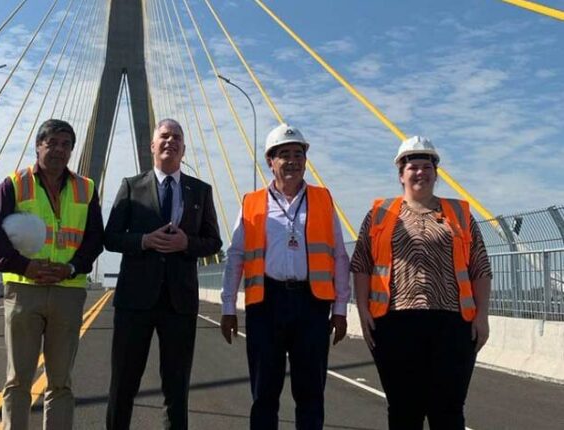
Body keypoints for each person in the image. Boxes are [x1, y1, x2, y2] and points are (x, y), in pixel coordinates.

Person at [350, 136, 492, 429]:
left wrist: (482, 316)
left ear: (436, 174)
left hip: (453, 323)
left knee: (448, 409)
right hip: (395, 322)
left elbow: (480, 267)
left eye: (427, 166)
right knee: (404, 409)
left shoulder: (460, 214)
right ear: (401, 174)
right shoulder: (380, 214)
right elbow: (361, 264)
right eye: (413, 166)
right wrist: (362, 310)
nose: (420, 172)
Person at [0, 119, 104, 430]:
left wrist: (72, 267)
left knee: (60, 382)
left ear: (72, 151)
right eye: (52, 143)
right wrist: (24, 266)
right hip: (24, 290)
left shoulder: (86, 188)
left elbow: (95, 239)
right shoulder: (15, 184)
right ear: (38, 146)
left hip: (68, 291)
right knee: (18, 379)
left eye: (66, 145)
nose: (59, 150)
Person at [220, 123, 350, 430]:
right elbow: (235, 256)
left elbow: (339, 256)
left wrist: (341, 308)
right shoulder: (252, 202)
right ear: (270, 161)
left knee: (310, 394)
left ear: (305, 160)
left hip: (312, 304)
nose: (292, 160)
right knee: (264, 394)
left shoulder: (322, 199)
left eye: (298, 154)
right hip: (266, 303)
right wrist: (228, 308)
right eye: (284, 154)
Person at [104, 118, 222, 429]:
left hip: (179, 302)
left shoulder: (201, 191)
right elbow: (111, 237)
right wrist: (143, 241)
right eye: (165, 136)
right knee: (123, 385)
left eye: (177, 138)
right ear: (152, 145)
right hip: (134, 302)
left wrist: (187, 243)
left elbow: (214, 241)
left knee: (177, 388)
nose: (170, 141)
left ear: (183, 148)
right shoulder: (131, 186)